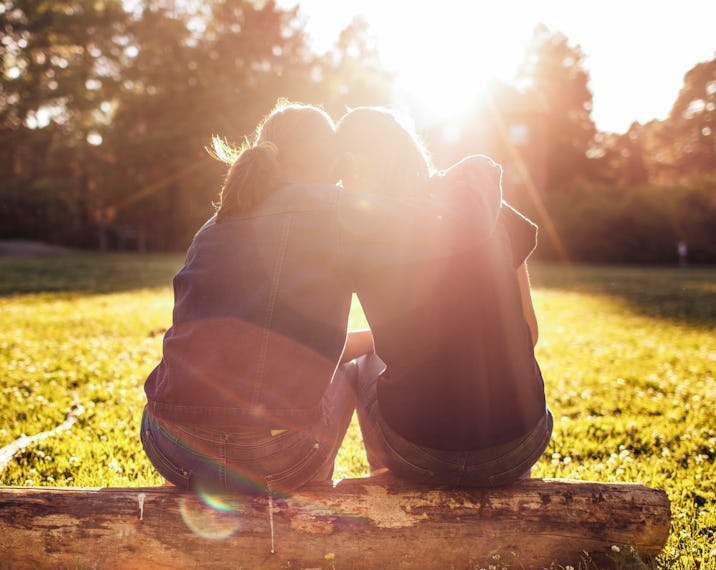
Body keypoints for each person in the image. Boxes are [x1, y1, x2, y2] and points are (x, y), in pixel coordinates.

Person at [140, 100, 502, 495]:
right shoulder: (339, 212)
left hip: (171, 446)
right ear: (331, 162)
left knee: (324, 369)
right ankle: (314, 493)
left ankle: (199, 491)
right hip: (277, 457)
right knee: (344, 371)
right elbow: (461, 224)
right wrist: (481, 168)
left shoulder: (217, 221)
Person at [335, 106, 552, 487]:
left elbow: (327, 344)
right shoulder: (487, 205)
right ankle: (502, 480)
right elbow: (529, 332)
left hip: (418, 451)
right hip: (520, 443)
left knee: (360, 366)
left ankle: (392, 490)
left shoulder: (361, 230)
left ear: (354, 166)